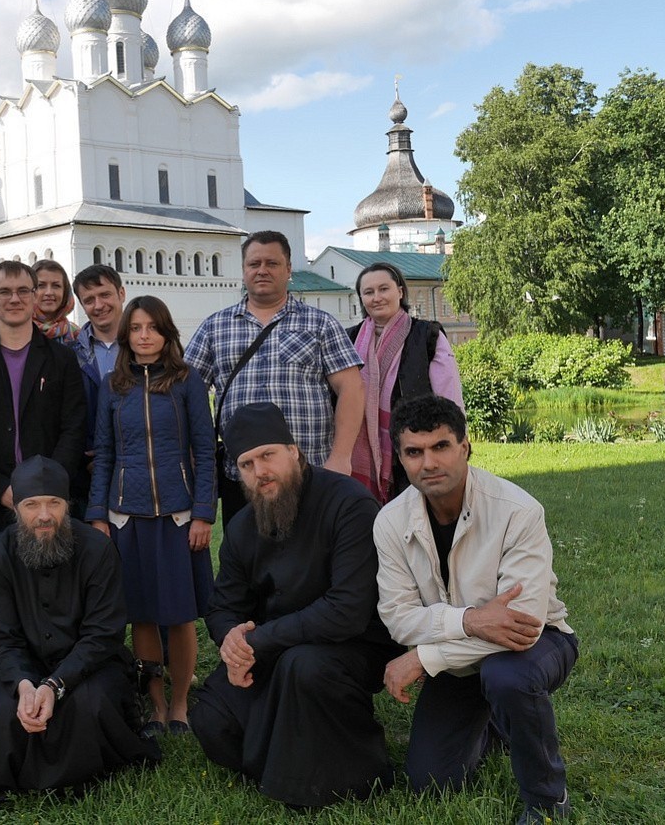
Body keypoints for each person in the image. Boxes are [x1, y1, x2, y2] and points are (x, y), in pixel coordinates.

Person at [374, 395, 577, 825]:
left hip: (538, 643)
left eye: (441, 446)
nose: (429, 463)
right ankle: (495, 725)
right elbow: (398, 618)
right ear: (401, 459)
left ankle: (547, 800)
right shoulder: (390, 522)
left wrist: (426, 657)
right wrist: (470, 620)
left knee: (507, 676)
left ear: (465, 447)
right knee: (431, 782)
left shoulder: (517, 510)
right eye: (414, 452)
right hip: (460, 660)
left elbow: (523, 626)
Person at [191, 402, 398, 809]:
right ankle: (286, 754)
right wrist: (232, 642)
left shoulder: (348, 504)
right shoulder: (242, 526)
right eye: (247, 464)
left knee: (303, 666)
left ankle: (347, 772)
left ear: (293, 451)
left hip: (353, 644)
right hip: (273, 649)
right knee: (211, 719)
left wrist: (259, 641)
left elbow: (347, 610)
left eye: (267, 455)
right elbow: (222, 607)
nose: (260, 471)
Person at [0, 456, 160, 800]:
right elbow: (0, 638)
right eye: (32, 505)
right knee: (3, 709)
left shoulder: (98, 549)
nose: (44, 515)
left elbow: (103, 634)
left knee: (87, 704)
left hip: (90, 667)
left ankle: (72, 775)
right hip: (25, 666)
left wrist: (56, 683)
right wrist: (25, 685)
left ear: (67, 506)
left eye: (54, 503)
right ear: (16, 509)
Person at [0, 261, 87, 730]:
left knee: (54, 604)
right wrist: (2, 489)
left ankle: (56, 689)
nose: (14, 298)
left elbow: (73, 430)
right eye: (4, 291)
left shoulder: (62, 360)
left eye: (23, 290)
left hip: (49, 511)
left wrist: (45, 492)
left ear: (35, 297)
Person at [86, 296, 216, 735]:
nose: (145, 335)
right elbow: (104, 453)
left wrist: (203, 513)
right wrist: (98, 515)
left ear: (166, 332)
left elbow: (205, 451)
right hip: (127, 516)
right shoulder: (113, 385)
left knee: (180, 615)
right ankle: (156, 705)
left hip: (178, 516)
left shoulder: (186, 380)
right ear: (126, 334)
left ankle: (180, 705)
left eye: (153, 327)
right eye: (137, 327)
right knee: (141, 615)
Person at [185, 230, 364, 526]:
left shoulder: (320, 323)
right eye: (254, 264)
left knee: (314, 551)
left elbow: (352, 388)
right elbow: (185, 393)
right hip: (243, 477)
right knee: (246, 552)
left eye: (272, 263)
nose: (262, 270)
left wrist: (341, 457)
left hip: (309, 471)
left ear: (289, 269)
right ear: (243, 270)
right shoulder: (214, 327)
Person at [348, 262, 463, 503]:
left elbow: (449, 395)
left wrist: (456, 438)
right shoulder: (348, 339)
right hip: (361, 447)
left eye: (384, 289)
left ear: (400, 292)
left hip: (420, 443)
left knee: (418, 510)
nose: (376, 297)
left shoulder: (427, 335)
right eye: (368, 292)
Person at [70, 264, 126, 507]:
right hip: (90, 473)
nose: (99, 305)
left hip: (143, 466)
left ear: (121, 293)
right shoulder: (72, 357)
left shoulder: (148, 347)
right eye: (89, 300)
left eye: (105, 295)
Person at [33, 259, 80, 346]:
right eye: (41, 285)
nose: (49, 292)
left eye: (56, 286)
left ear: (65, 292)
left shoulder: (78, 336)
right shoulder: (17, 332)